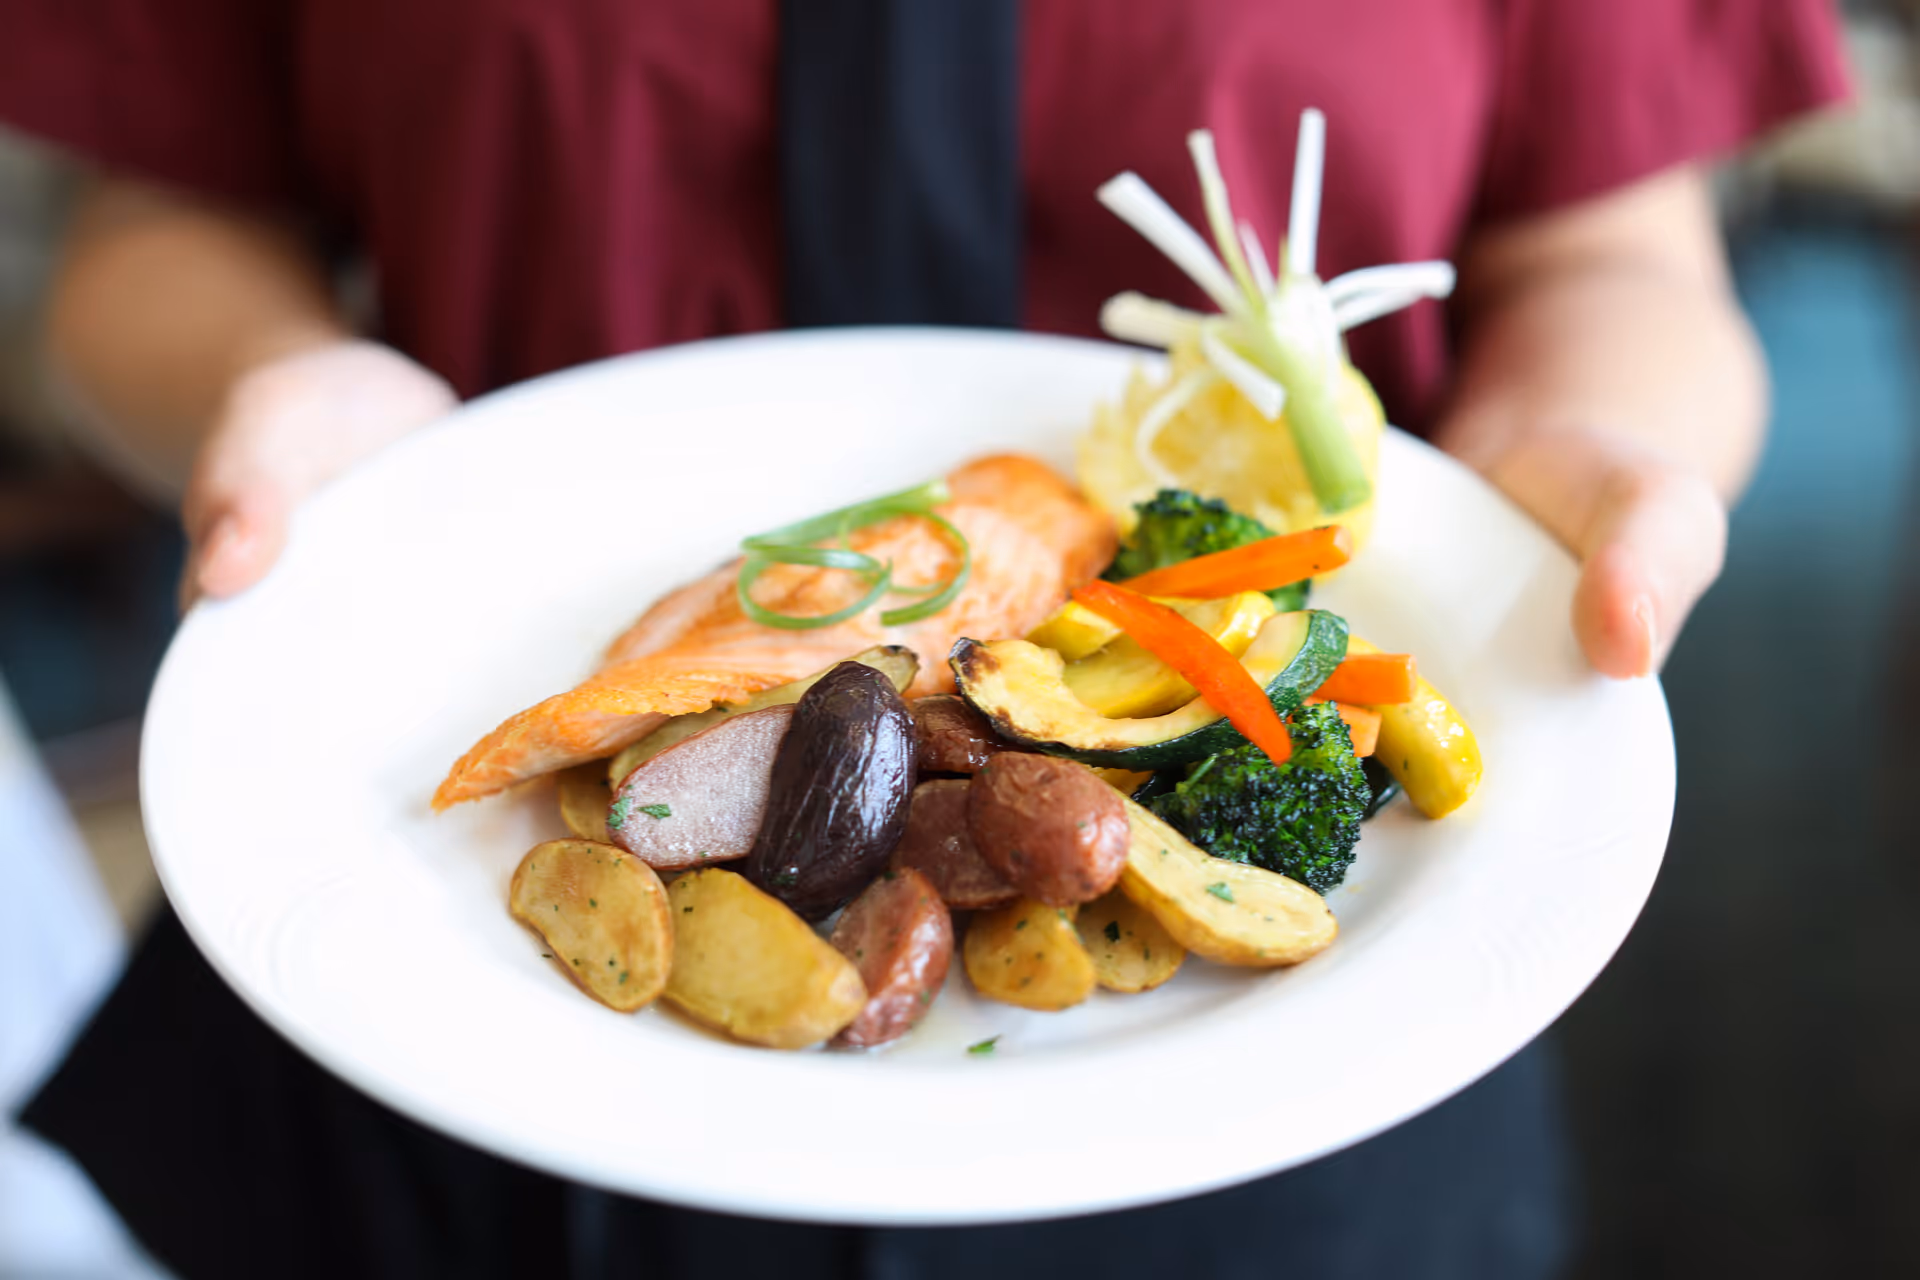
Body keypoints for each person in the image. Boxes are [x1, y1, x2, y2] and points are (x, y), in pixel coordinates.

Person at [0, 2, 1848, 1277]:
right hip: (417, 1111)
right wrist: (271, 386)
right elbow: (151, 233)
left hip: (1305, 1151)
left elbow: (1616, 263)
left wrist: (1588, 472)